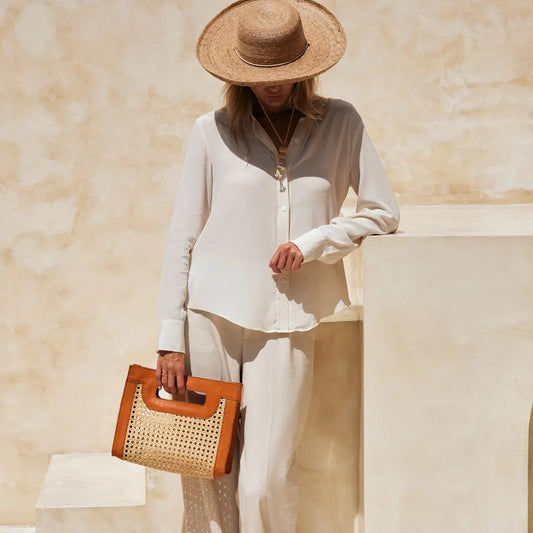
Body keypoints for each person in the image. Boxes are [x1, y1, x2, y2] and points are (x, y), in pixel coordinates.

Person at [155, 0, 400, 531]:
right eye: (261, 76)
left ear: (305, 68)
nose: (274, 86)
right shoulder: (211, 131)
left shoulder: (341, 123)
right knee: (209, 471)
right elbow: (183, 237)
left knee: (265, 479)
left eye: (285, 73)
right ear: (239, 74)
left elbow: (382, 213)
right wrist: (170, 337)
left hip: (289, 317)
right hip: (211, 315)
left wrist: (314, 243)